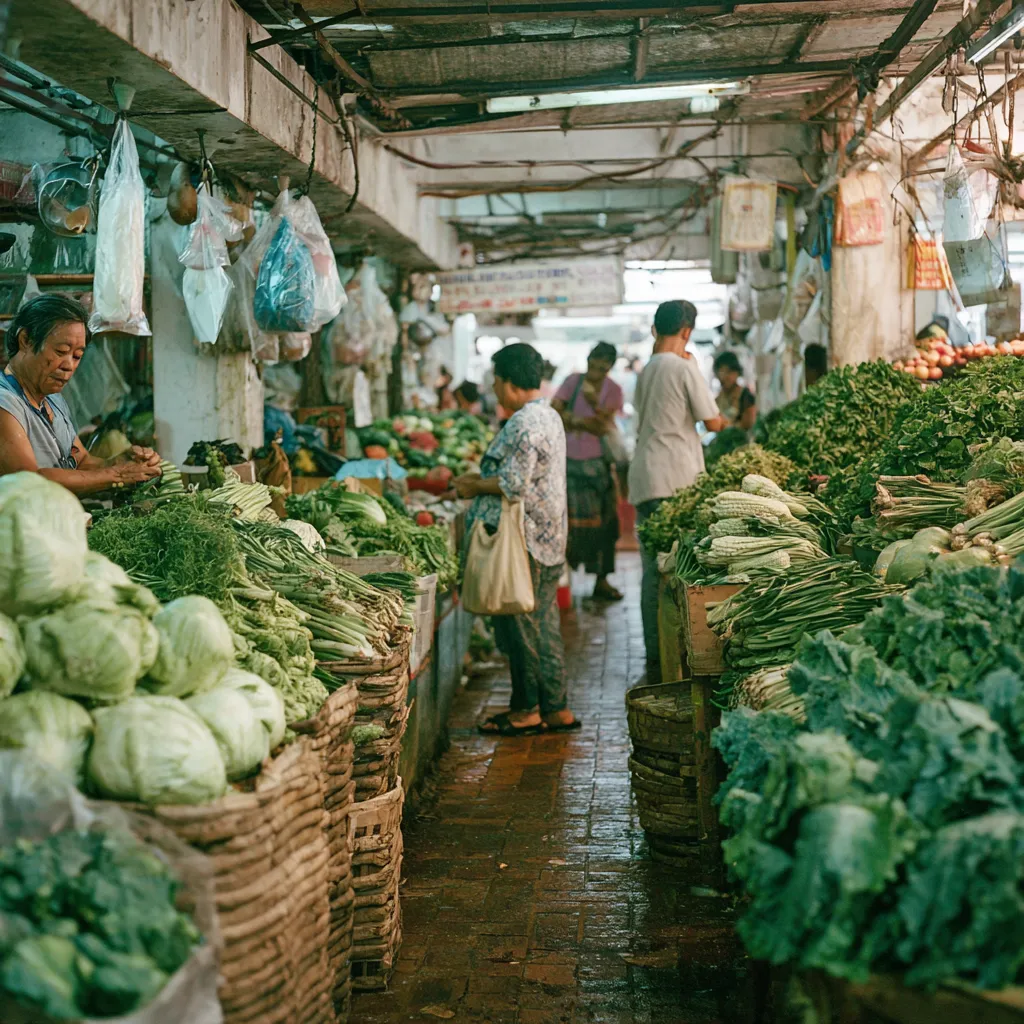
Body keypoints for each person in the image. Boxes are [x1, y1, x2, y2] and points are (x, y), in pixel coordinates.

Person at [453, 343, 578, 737]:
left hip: (525, 540)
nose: (492, 388)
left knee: (521, 627)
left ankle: (526, 709)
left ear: (508, 382)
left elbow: (513, 484)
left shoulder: (524, 424)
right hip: (550, 535)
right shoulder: (549, 416)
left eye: (495, 380)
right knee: (544, 622)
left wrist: (473, 485)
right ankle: (556, 708)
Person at [629, 300, 727, 684]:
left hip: (646, 477)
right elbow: (713, 420)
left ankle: (656, 657)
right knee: (675, 568)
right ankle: (676, 660)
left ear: (656, 329)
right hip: (675, 480)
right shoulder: (684, 366)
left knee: (651, 572)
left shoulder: (648, 368)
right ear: (687, 330)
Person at [0, 294, 162, 496]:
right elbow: (29, 480)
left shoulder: (53, 399)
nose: (69, 365)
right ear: (25, 340)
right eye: (61, 351)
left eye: (77, 356)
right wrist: (117, 475)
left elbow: (82, 461)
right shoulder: (5, 403)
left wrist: (121, 463)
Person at [552, 341, 624, 602]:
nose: (595, 371)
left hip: (597, 465)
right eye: (592, 364)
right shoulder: (572, 382)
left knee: (605, 526)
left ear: (609, 368)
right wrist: (585, 421)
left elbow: (604, 425)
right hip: (568, 463)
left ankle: (601, 580)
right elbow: (554, 411)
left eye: (601, 367)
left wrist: (591, 407)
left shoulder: (614, 390)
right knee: (566, 526)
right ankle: (562, 582)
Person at [712, 350, 757, 432]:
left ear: (737, 372)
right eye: (721, 371)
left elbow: (748, 424)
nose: (724, 376)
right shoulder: (717, 399)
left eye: (728, 372)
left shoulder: (746, 396)